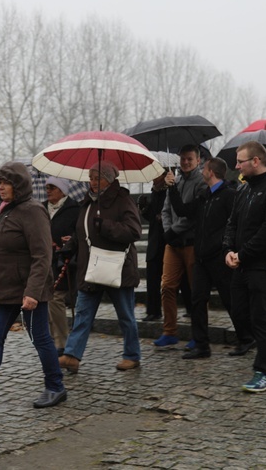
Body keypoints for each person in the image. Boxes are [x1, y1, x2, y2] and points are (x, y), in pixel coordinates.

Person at [0, 161, 65, 411]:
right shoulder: (5, 211)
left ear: (18, 184)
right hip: (5, 290)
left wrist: (33, 292)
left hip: (28, 291)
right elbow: (2, 250)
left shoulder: (33, 211)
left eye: (5, 182)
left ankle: (56, 387)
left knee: (41, 339)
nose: (1, 187)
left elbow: (42, 256)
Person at [58, 160, 143, 373]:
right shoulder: (87, 203)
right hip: (91, 268)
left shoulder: (122, 200)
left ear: (109, 179)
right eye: (90, 177)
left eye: (96, 177)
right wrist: (70, 246)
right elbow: (82, 231)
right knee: (83, 314)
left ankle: (132, 356)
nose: (92, 182)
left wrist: (105, 226)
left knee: (125, 315)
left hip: (118, 268)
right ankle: (71, 355)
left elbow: (134, 231)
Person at [165, 158, 254, 359]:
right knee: (197, 300)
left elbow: (237, 224)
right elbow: (183, 211)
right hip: (202, 258)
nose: (201, 170)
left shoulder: (229, 195)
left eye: (204, 168)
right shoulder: (205, 196)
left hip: (220, 257)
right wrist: (171, 187)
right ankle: (202, 345)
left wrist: (229, 249)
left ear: (211, 172)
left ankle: (246, 338)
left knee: (230, 300)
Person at [223, 141, 266, 393]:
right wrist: (229, 250)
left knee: (261, 319)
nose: (236, 165)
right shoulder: (243, 190)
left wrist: (243, 254)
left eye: (240, 161)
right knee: (240, 313)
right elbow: (232, 223)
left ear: (255, 161)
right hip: (241, 263)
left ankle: (264, 372)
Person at [155, 145, 206, 348]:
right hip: (173, 244)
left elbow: (193, 215)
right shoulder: (173, 181)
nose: (185, 162)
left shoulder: (201, 182)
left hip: (191, 243)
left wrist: (173, 230)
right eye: (183, 159)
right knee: (167, 286)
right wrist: (169, 231)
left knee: (196, 290)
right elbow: (166, 209)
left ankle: (198, 333)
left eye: (189, 159)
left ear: (198, 160)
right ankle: (169, 331)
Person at [43, 176, 80, 355]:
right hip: (43, 261)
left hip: (64, 262)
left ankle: (62, 341)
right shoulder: (41, 208)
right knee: (46, 299)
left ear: (63, 190)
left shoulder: (75, 209)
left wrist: (71, 240)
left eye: (52, 187)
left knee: (56, 298)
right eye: (47, 187)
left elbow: (80, 232)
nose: (48, 190)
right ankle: (51, 339)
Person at [137, 168, 168, 321]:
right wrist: (144, 209)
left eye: (157, 174)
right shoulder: (154, 192)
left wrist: (163, 217)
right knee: (152, 277)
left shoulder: (169, 190)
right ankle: (153, 311)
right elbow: (152, 217)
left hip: (168, 241)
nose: (153, 177)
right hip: (154, 240)